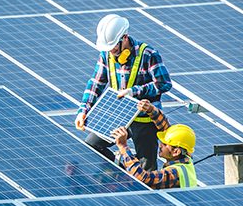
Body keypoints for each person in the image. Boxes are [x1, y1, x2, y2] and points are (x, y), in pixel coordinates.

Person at [75, 14, 172, 170]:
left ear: (125, 37)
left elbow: (164, 84)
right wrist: (83, 110)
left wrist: (134, 91)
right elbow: (96, 83)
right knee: (92, 145)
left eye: (113, 47)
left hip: (144, 120)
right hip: (118, 116)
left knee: (146, 169)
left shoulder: (148, 54)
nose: (111, 51)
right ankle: (123, 171)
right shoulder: (106, 55)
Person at [111, 99, 197, 189]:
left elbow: (142, 178)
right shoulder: (185, 155)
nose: (160, 145)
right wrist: (151, 109)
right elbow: (166, 128)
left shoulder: (174, 173)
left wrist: (123, 146)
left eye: (164, 144)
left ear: (176, 151)